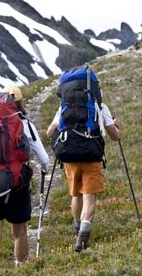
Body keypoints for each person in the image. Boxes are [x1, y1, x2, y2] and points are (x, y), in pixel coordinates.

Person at [0, 85, 49, 276]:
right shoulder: (24, 123)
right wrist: (43, 168)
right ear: (19, 101)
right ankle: (22, 271)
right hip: (16, 184)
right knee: (19, 232)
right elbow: (43, 158)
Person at [46, 102, 120, 252]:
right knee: (89, 198)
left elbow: (50, 131)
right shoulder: (99, 105)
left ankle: (78, 230)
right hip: (91, 155)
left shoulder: (64, 105)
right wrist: (117, 128)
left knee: (76, 195)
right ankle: (82, 238)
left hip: (70, 156)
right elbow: (114, 135)